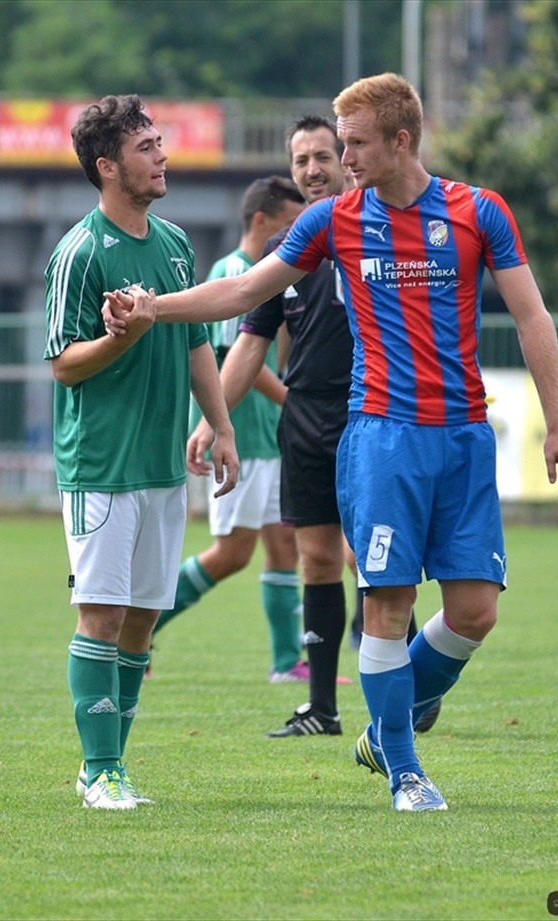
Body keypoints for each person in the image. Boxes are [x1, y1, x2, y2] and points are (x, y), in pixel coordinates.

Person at [104, 73, 558, 813]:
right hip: (382, 438)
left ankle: (385, 731)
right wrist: (153, 308)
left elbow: (532, 316)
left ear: (402, 140)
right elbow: (244, 292)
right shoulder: (334, 220)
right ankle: (407, 773)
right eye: (340, 142)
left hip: (463, 437)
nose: (343, 157)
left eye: (355, 143)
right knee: (387, 603)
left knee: (476, 611)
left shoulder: (477, 211)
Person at [44, 94, 238, 810]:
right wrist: (118, 338)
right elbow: (64, 365)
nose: (162, 156)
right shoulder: (80, 252)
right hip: (100, 463)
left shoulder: (176, 244)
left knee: (142, 620)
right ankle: (101, 771)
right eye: (146, 147)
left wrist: (221, 425)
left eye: (159, 143)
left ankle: (109, 767)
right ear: (107, 166)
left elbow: (196, 344)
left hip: (162, 464)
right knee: (100, 614)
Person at [186, 115, 357, 737]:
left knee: (376, 560)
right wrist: (213, 420)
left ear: (348, 158)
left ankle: (411, 688)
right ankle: (322, 709)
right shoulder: (283, 251)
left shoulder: (377, 231)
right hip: (304, 419)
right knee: (316, 559)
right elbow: (250, 342)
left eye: (322, 156)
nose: (312, 169)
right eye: (301, 159)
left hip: (370, 413)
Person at [151, 176, 308, 683]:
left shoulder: (273, 275)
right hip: (244, 438)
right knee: (232, 554)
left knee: (284, 547)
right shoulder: (235, 272)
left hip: (271, 438)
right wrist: (295, 403)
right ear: (262, 221)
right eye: (290, 224)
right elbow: (240, 359)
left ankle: (287, 663)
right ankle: (140, 626)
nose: (297, 235)